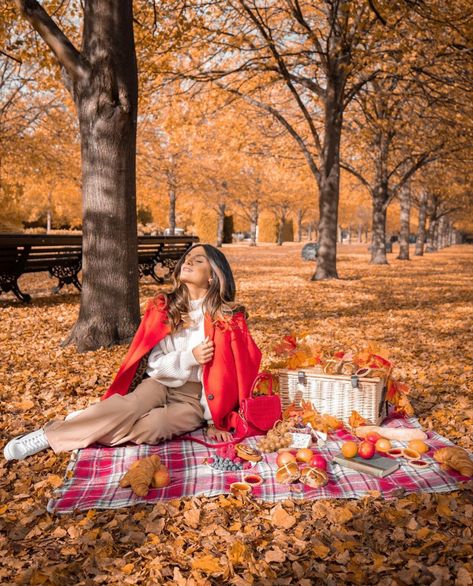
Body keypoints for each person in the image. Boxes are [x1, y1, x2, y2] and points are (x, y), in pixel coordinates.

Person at [4, 244, 262, 461]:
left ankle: (85, 422)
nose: (188, 262)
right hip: (160, 384)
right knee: (133, 405)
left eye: (198, 260)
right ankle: (50, 436)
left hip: (196, 398)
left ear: (213, 276)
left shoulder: (227, 319)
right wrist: (189, 358)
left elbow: (232, 374)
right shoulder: (166, 309)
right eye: (187, 258)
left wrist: (213, 420)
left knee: (154, 427)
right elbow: (154, 365)